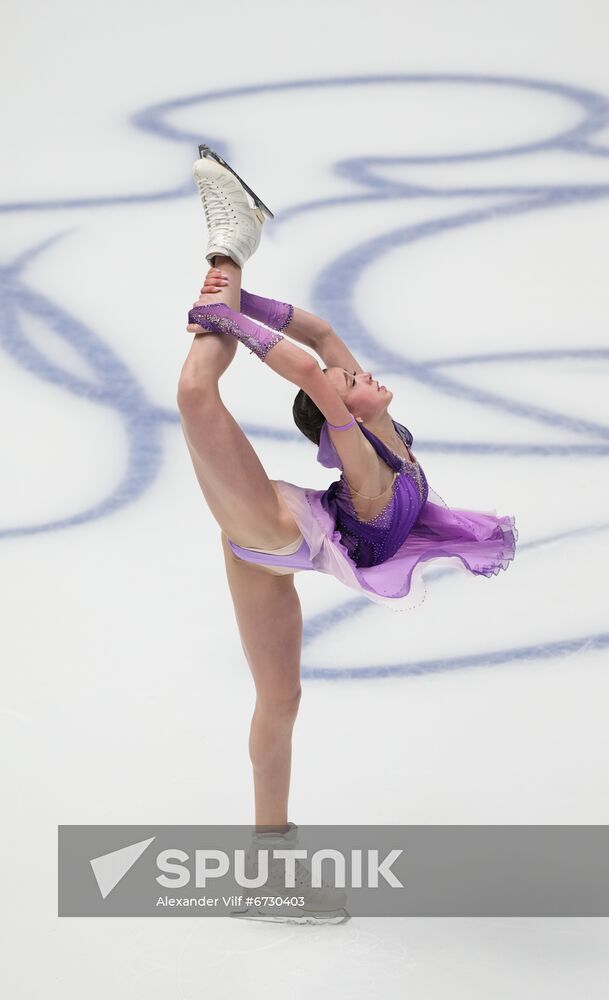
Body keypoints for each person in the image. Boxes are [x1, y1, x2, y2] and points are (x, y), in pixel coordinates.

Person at [177, 147, 517, 923]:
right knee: (196, 393)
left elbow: (321, 342)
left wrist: (237, 304)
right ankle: (227, 237)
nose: (363, 373)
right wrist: (224, 307)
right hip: (269, 528)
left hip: (279, 544)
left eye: (357, 380)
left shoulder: (380, 434)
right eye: (356, 383)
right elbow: (312, 371)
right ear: (348, 406)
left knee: (280, 699)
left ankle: (269, 875)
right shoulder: (366, 452)